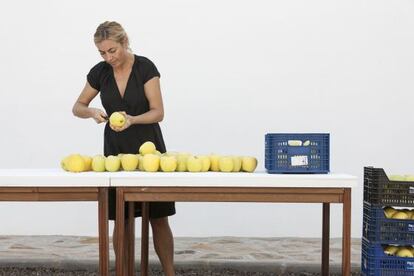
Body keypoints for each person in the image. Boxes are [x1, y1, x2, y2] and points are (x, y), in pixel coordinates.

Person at [72, 21, 175, 276]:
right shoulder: (100, 72)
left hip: (148, 147)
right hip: (116, 150)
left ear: (124, 42)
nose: (109, 57)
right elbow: (77, 106)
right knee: (122, 216)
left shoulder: (145, 67)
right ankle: (124, 272)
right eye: (102, 53)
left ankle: (170, 273)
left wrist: (132, 119)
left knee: (158, 216)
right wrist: (91, 111)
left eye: (112, 51)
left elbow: (158, 112)